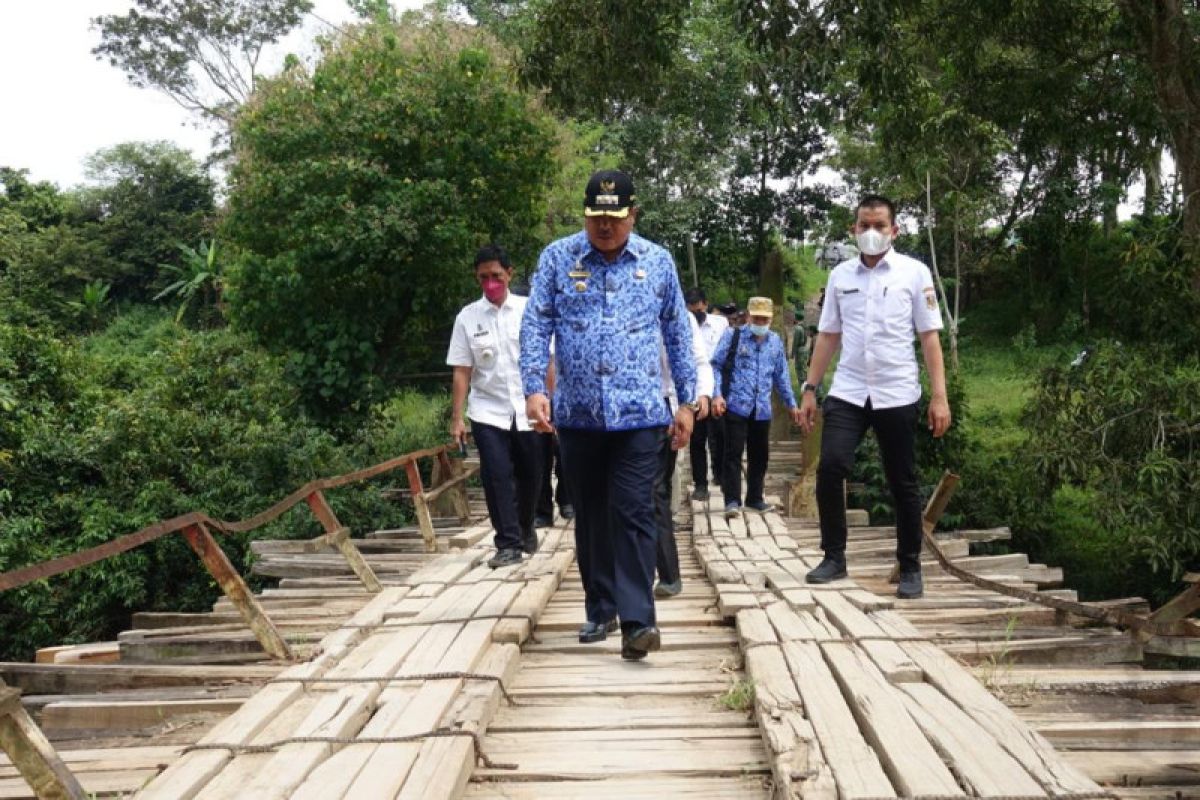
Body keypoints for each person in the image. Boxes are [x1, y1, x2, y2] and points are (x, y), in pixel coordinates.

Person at [521, 169, 698, 661]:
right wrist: (535, 388)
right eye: (596, 216)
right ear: (584, 214)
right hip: (577, 414)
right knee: (592, 515)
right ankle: (600, 607)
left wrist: (687, 401)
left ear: (633, 214)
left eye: (615, 218)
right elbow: (536, 326)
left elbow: (678, 334)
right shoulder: (558, 259)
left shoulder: (658, 263)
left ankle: (639, 621)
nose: (604, 226)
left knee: (635, 511)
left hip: (639, 415)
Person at [799, 194, 951, 600]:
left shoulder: (914, 274)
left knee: (902, 480)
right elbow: (828, 334)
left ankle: (911, 566)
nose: (871, 233)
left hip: (897, 389)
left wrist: (940, 396)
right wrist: (810, 389)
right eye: (864, 225)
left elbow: (929, 337)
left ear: (894, 230)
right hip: (849, 389)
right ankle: (834, 556)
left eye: (879, 225)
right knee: (831, 466)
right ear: (853, 230)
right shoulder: (840, 277)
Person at [447, 244, 544, 569]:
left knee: (531, 474)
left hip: (528, 406)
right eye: (484, 277)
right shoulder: (467, 317)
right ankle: (507, 543)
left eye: (496, 276)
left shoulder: (529, 310)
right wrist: (457, 418)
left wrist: (554, 404)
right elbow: (462, 370)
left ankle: (526, 526)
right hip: (487, 410)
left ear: (510, 274)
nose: (491, 283)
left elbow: (550, 361)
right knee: (497, 475)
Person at [711, 297, 802, 519]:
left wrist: (791, 404)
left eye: (765, 318)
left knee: (760, 455)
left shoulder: (775, 342)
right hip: (735, 404)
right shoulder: (733, 336)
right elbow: (715, 365)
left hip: (761, 408)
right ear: (748, 316)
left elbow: (781, 376)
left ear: (770, 319)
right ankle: (732, 500)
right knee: (732, 453)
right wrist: (717, 395)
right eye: (757, 317)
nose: (760, 321)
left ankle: (755, 498)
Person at [653, 311, 714, 598]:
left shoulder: (677, 312)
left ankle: (668, 573)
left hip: (662, 408)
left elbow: (697, 361)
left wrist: (692, 402)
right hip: (607, 412)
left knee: (654, 491)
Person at [685, 287, 729, 501]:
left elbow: (723, 358)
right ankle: (700, 484)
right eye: (692, 311)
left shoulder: (720, 325)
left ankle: (720, 475)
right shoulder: (683, 325)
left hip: (717, 388)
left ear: (706, 304)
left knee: (720, 434)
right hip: (695, 389)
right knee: (697, 439)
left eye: (699, 310)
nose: (696, 315)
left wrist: (718, 392)